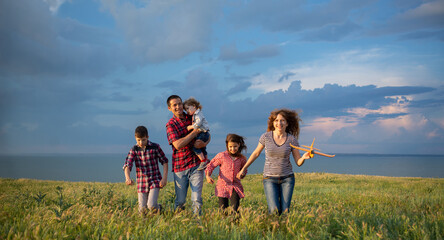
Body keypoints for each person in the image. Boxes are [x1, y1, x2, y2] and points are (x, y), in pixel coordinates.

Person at [237, 109, 311, 215]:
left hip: (287, 179)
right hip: (269, 179)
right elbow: (255, 153)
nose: (279, 123)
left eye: (282, 120)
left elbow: (298, 162)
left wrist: (304, 157)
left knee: (285, 212)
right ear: (273, 122)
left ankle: (283, 230)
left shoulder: (292, 139)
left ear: (287, 123)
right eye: (276, 120)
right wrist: (243, 169)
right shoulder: (266, 137)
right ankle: (274, 230)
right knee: (274, 211)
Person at [166, 95, 210, 215]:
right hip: (180, 167)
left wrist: (204, 143)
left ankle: (198, 226)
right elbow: (178, 145)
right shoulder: (170, 125)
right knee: (180, 201)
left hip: (196, 164)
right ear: (169, 108)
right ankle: (178, 223)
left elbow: (207, 133)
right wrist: (195, 132)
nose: (178, 107)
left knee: (196, 199)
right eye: (174, 105)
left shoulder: (192, 116)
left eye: (180, 104)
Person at [123, 126, 168, 215]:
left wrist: (164, 178)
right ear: (135, 138)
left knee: (151, 206)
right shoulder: (134, 150)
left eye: (143, 140)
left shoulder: (155, 147)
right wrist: (127, 178)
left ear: (147, 137)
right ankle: (147, 224)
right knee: (142, 210)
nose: (141, 142)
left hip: (155, 180)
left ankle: (159, 209)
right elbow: (127, 165)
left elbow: (165, 161)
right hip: (141, 182)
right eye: (138, 140)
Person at [205, 134, 247, 213]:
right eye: (230, 147)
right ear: (227, 145)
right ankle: (226, 223)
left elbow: (244, 170)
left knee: (235, 208)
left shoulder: (242, 159)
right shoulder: (222, 156)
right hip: (222, 185)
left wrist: (242, 174)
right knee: (223, 209)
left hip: (235, 185)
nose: (232, 149)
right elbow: (211, 165)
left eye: (235, 146)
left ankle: (235, 223)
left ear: (239, 145)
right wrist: (208, 176)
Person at [183, 97, 210, 171]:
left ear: (194, 106)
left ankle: (203, 161)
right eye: (186, 110)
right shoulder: (195, 114)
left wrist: (190, 127)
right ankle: (206, 159)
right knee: (202, 147)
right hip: (204, 132)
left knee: (195, 147)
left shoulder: (198, 114)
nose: (187, 111)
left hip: (203, 133)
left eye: (188, 108)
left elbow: (198, 123)